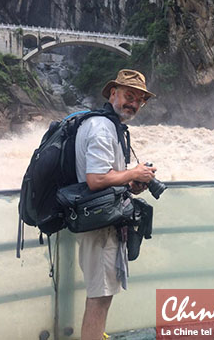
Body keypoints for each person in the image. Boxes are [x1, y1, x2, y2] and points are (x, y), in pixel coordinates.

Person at [75, 69, 156, 340]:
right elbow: (96, 179)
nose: (133, 103)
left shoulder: (110, 125)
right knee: (99, 298)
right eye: (128, 95)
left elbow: (107, 176)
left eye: (139, 100)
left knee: (103, 294)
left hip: (103, 221)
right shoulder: (101, 127)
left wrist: (130, 183)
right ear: (113, 93)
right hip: (98, 226)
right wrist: (133, 173)